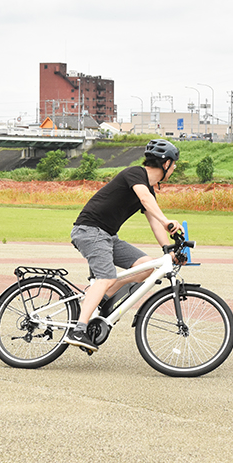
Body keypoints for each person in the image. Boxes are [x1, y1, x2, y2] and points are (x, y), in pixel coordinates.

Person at [66, 139, 183, 351]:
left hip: (108, 236)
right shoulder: (135, 174)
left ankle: (105, 297)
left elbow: (154, 221)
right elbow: (147, 201)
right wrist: (168, 221)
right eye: (173, 165)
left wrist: (168, 250)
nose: (174, 169)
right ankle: (78, 329)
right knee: (106, 277)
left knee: (147, 265)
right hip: (90, 231)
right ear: (165, 163)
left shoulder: (148, 190)